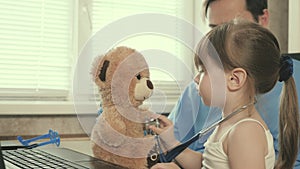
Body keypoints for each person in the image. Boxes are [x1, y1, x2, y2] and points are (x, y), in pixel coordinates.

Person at [150, 20, 299, 169]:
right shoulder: (230, 122)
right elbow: (207, 163)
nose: (196, 79)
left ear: (235, 79)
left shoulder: (245, 132)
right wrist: (172, 144)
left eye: (203, 71)